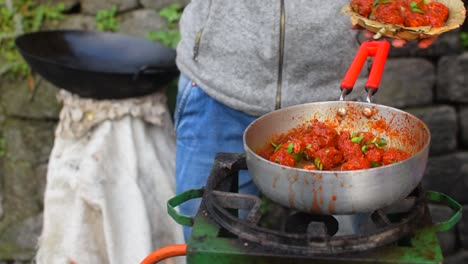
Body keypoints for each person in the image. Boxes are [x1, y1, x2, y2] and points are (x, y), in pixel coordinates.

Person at [173, 0, 436, 240]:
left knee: (346, 250)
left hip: (337, 100)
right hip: (217, 91)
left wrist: (404, 11)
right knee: (210, 241)